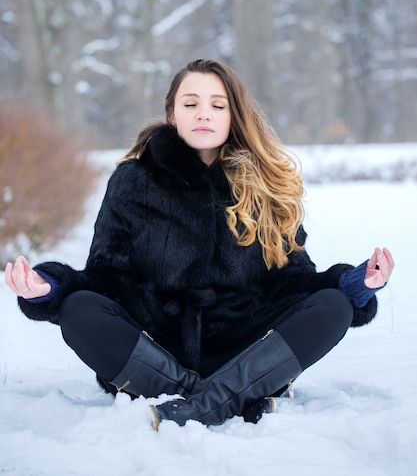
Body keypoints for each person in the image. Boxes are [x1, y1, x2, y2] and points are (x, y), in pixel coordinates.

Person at [5, 59, 394, 430]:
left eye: (217, 105)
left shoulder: (265, 186)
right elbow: (108, 277)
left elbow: (292, 281)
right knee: (79, 309)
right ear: (173, 114)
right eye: (190, 103)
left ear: (232, 115)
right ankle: (232, 399)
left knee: (333, 306)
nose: (203, 113)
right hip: (155, 349)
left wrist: (353, 285)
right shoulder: (132, 181)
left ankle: (197, 403)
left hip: (246, 348)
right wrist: (51, 289)